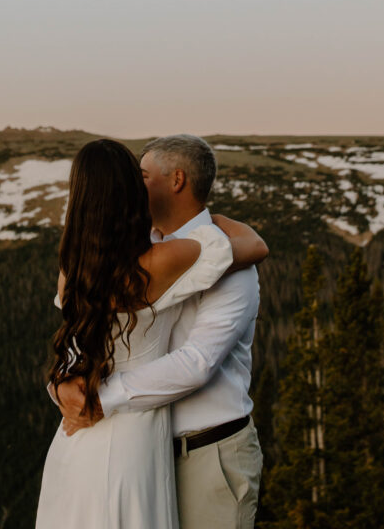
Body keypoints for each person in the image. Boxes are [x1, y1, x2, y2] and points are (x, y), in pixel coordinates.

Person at [35, 137, 268, 529]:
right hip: (135, 445)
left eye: (143, 175)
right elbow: (253, 244)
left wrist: (91, 397)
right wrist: (65, 388)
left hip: (203, 455)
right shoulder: (162, 255)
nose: (138, 184)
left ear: (176, 180)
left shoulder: (85, 264)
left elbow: (196, 363)